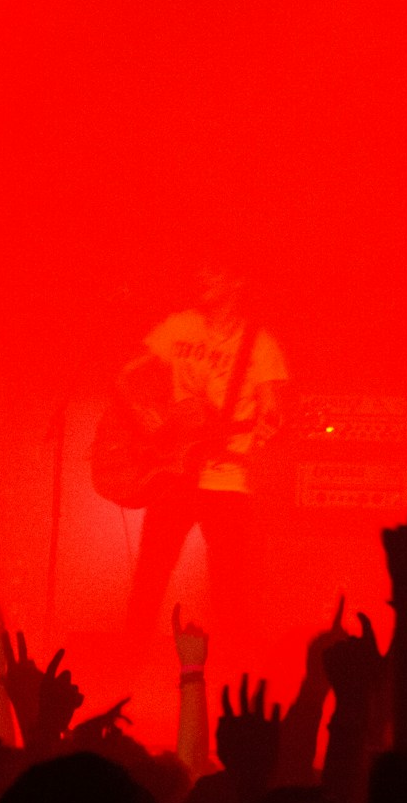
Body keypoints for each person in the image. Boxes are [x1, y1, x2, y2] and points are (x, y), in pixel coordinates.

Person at [116, 266, 288, 636]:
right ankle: (126, 671)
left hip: (225, 479)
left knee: (229, 589)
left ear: (237, 280)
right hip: (173, 471)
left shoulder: (260, 344)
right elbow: (126, 375)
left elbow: (271, 414)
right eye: (202, 272)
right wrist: (149, 422)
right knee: (150, 577)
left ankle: (230, 677)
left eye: (215, 272)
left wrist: (257, 439)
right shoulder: (180, 326)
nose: (204, 279)